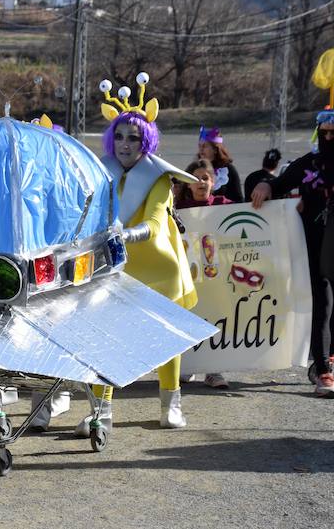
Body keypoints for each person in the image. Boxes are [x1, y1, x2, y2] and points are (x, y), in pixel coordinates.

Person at [79, 73, 199, 437]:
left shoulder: (160, 178)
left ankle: (170, 403)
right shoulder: (101, 172)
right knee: (103, 336)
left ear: (146, 141)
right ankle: (102, 411)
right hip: (115, 267)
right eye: (119, 136)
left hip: (160, 266)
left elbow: (153, 222)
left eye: (133, 137)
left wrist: (122, 233)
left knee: (165, 337)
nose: (125, 144)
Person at [251, 110, 334, 398]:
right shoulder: (308, 163)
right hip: (313, 245)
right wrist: (264, 183)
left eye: (333, 134)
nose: (327, 138)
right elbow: (278, 185)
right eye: (322, 133)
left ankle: (329, 354)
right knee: (322, 307)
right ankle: (323, 370)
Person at [175, 158, 231, 389]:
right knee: (188, 318)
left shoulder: (225, 205)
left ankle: (214, 370)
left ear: (214, 181)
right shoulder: (178, 209)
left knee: (215, 318)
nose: (201, 182)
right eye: (195, 178)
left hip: (216, 277)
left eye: (205, 178)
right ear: (188, 184)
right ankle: (188, 365)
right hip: (187, 276)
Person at [197, 127, 243, 202]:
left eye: (205, 146)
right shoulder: (196, 168)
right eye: (199, 146)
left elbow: (238, 199)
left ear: (215, 149)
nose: (201, 149)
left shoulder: (228, 170)